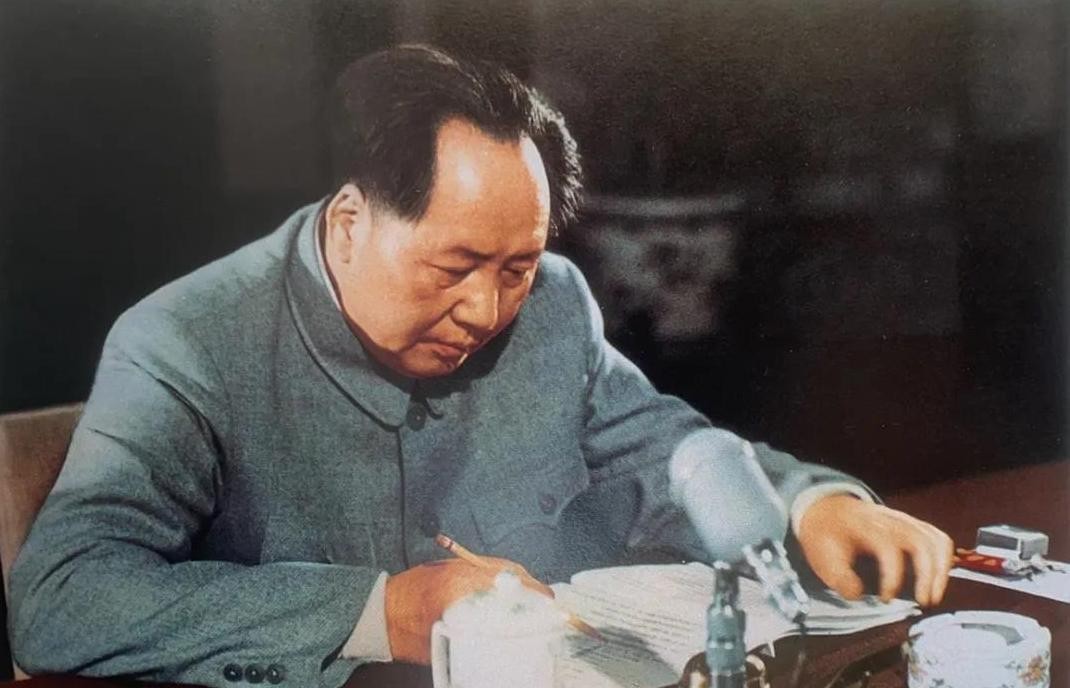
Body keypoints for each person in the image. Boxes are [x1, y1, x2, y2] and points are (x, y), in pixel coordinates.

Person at [9, 45, 953, 688]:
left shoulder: (554, 303)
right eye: (453, 266)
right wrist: (383, 611)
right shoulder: (185, 341)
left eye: (516, 268)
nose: (488, 310)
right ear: (351, 220)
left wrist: (809, 508)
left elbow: (662, 450)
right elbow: (61, 598)